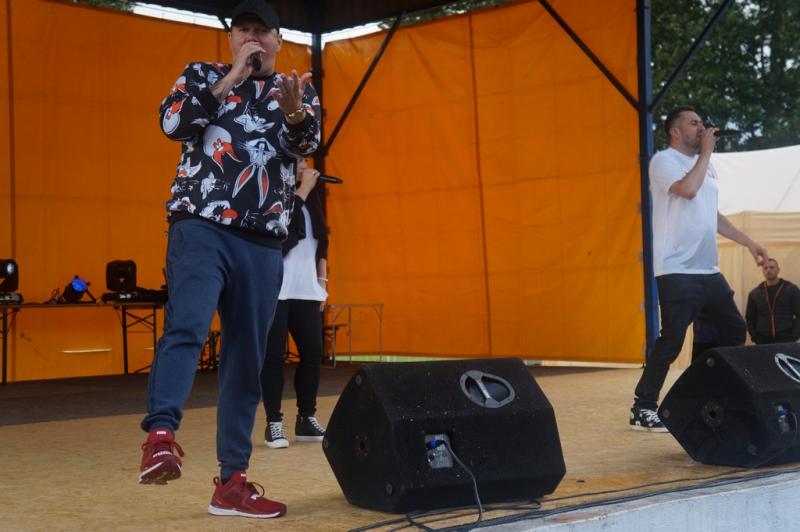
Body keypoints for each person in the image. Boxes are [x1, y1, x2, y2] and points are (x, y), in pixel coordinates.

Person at [137, 0, 321, 520]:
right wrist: (230, 80)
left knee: (247, 357)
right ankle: (160, 438)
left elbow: (306, 143)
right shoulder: (202, 75)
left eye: (262, 30)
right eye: (243, 30)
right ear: (232, 39)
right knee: (189, 326)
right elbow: (173, 124)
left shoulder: (296, 89)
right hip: (201, 224)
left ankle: (232, 483)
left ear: (279, 40)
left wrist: (294, 112)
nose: (252, 38)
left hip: (262, 240)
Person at [630, 105, 768, 432]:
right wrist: (706, 152)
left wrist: (749, 242)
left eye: (702, 123)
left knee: (733, 330)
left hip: (708, 269)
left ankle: (706, 395)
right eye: (694, 123)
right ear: (675, 131)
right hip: (677, 269)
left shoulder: (707, 166)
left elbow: (712, 213)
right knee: (672, 339)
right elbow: (688, 191)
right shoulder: (664, 161)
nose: (701, 128)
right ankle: (643, 407)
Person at [260, 158, 329, 449]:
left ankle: (306, 417)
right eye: (298, 160)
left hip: (306, 288)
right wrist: (303, 189)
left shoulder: (312, 199)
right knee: (273, 356)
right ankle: (273, 423)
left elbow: (322, 242)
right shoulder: (272, 192)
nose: (304, 164)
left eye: (305, 159)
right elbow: (279, 226)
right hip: (276, 288)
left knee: (312, 353)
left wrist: (322, 282)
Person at [745, 258, 800, 344]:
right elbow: (749, 318)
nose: (768, 270)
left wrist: (795, 336)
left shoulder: (791, 290)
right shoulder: (755, 293)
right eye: (765, 268)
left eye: (772, 267)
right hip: (762, 340)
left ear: (778, 270)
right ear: (762, 271)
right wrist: (755, 337)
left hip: (786, 338)